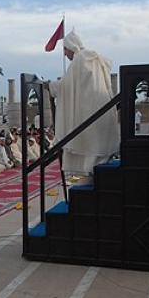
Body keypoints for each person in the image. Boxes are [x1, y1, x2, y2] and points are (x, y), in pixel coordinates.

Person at [46, 30, 119, 183]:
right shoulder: (91, 58)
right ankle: (94, 176)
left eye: (65, 50)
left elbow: (66, 86)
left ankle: (92, 176)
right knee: (96, 143)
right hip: (97, 107)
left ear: (71, 46)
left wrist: (50, 86)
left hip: (89, 110)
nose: (65, 54)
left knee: (90, 143)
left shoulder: (80, 60)